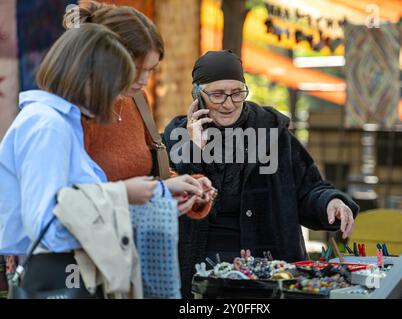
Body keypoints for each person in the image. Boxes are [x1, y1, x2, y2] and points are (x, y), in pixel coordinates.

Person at [0, 24, 204, 297]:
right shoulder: (48, 125)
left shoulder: (61, 123)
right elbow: (50, 227)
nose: (119, 96)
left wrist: (161, 192)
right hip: (59, 273)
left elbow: (78, 205)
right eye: (117, 83)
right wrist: (123, 195)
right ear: (88, 77)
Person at [163, 50, 360, 297]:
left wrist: (330, 202)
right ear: (197, 95)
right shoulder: (174, 139)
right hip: (198, 274)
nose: (228, 103)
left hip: (268, 273)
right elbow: (168, 198)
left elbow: (309, 189)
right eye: (217, 95)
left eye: (237, 93)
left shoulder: (272, 134)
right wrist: (194, 149)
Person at [62, 1, 215, 216]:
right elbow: (62, 199)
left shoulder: (137, 101)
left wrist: (187, 188)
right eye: (136, 69)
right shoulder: (71, 112)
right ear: (107, 59)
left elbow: (150, 181)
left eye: (150, 70)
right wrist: (127, 194)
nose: (144, 80)